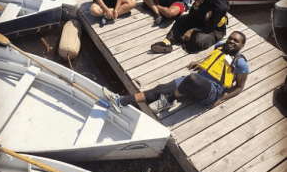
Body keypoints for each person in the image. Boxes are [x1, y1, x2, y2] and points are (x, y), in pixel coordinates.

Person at [104, 31, 249, 114]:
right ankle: (121, 101)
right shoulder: (220, 46)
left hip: (212, 91)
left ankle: (169, 100)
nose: (230, 41)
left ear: (242, 45)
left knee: (191, 79)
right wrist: (200, 63)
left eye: (235, 41)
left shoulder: (241, 64)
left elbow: (239, 87)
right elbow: (215, 60)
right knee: (160, 88)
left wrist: (220, 99)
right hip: (198, 79)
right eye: (230, 38)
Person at [151, 0, 230, 54]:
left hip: (213, 29)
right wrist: (196, 5)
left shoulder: (218, 5)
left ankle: (183, 39)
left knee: (197, 41)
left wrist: (192, 30)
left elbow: (209, 28)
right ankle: (167, 42)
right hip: (201, 22)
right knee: (182, 19)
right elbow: (191, 15)